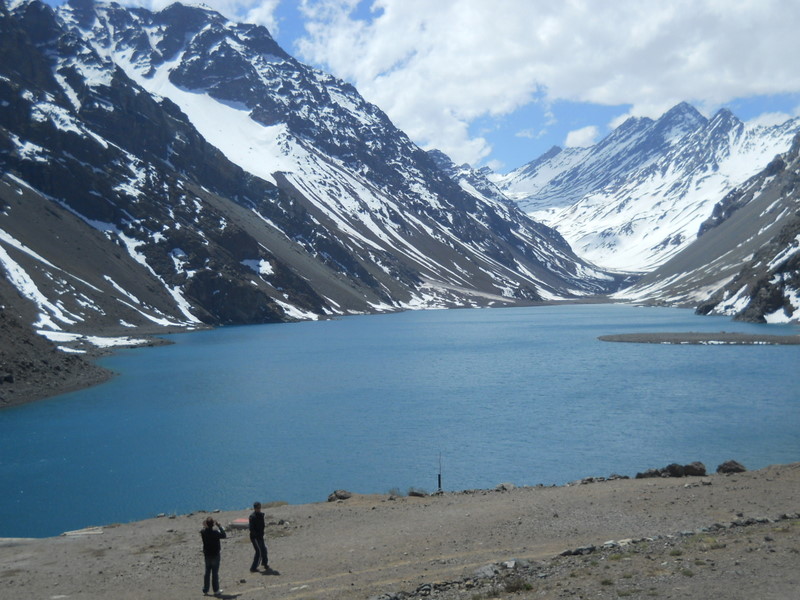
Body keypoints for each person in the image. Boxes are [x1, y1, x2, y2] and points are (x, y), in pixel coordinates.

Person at [200, 517, 227, 596]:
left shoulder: (203, 532)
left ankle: (205, 589)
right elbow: (224, 535)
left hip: (207, 554)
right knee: (215, 573)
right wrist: (219, 526)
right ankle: (216, 590)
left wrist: (206, 525)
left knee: (207, 572)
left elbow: (203, 529)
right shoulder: (215, 532)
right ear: (213, 524)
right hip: (215, 554)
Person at [248, 501, 270, 573]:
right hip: (255, 537)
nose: (259, 509)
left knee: (264, 549)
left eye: (259, 507)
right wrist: (256, 535)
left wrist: (261, 533)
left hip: (260, 536)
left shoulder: (261, 515)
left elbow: (262, 525)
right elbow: (251, 528)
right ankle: (253, 567)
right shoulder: (252, 517)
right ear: (255, 508)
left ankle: (265, 563)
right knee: (259, 552)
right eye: (257, 508)